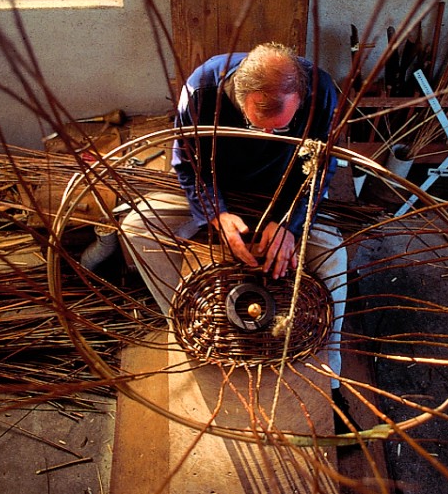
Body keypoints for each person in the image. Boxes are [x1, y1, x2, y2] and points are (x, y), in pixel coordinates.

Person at [120, 43, 350, 412]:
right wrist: (217, 215)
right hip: (222, 191)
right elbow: (188, 166)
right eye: (256, 126)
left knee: (334, 258)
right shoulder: (202, 90)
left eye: (284, 128)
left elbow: (321, 168)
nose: (271, 138)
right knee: (137, 227)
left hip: (283, 196)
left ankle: (331, 385)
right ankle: (187, 320)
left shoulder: (322, 92)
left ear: (301, 96)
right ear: (239, 98)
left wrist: (289, 222)